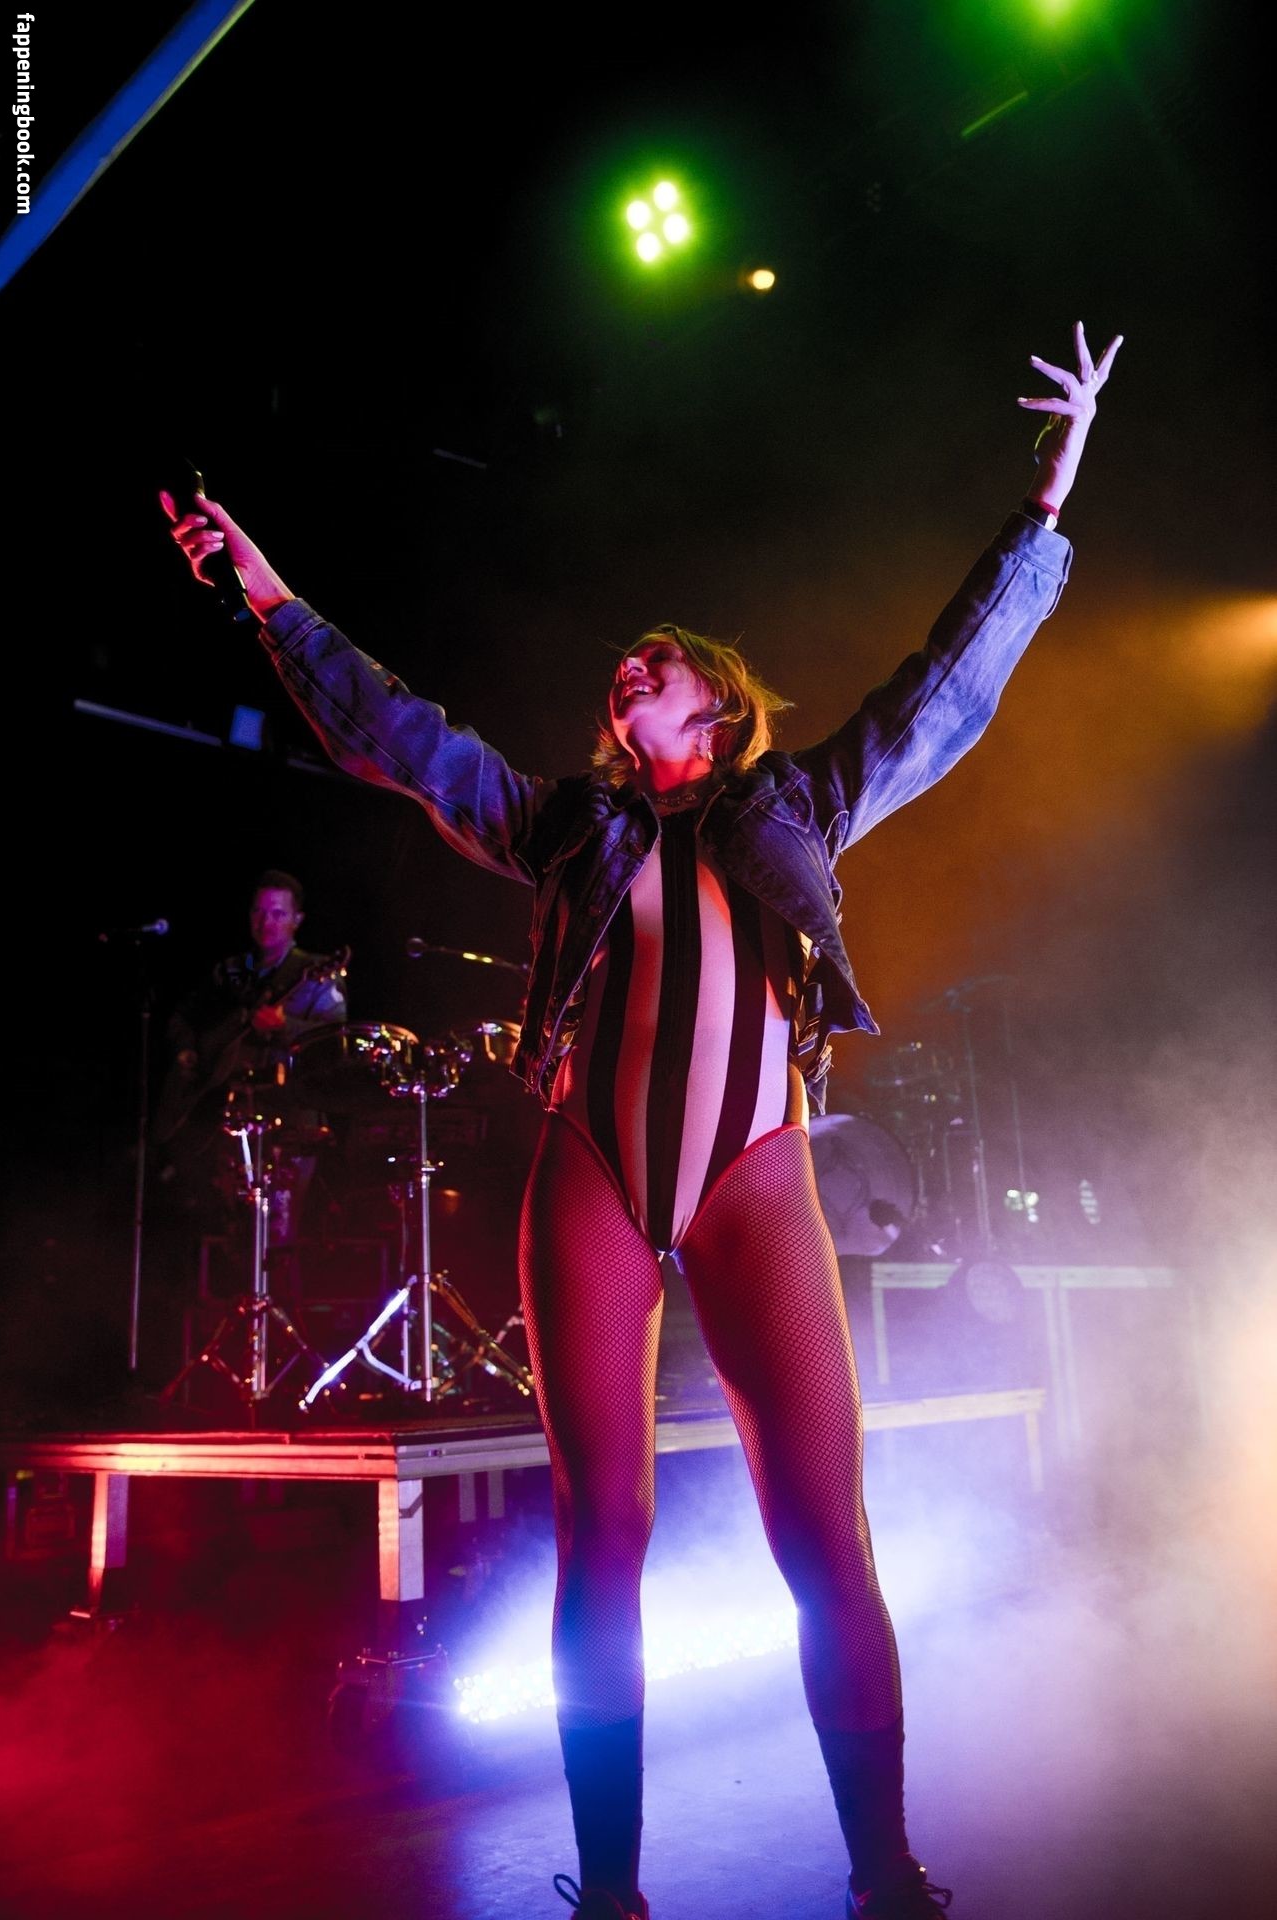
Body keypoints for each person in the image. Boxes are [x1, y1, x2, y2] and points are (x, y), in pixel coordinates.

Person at [161, 321, 1122, 1920]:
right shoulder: (565, 829)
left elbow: (943, 688)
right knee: (597, 1535)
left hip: (753, 1178)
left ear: (721, 706)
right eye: (623, 665)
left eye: (658, 660)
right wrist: (262, 590)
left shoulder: (801, 802)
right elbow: (398, 732)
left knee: (824, 1540)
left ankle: (882, 1871)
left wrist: (1046, 500)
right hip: (593, 1178)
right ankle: (608, 1893)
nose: (628, 668)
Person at [153, 868, 349, 1248]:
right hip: (225, 1117)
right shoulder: (229, 972)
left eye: (278, 913)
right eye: (259, 912)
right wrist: (187, 1050)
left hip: (290, 1120)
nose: (266, 922)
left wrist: (285, 1026)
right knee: (225, 1232)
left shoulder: (316, 974)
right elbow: (182, 1018)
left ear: (297, 920)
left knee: (278, 1233)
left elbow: (333, 1041)